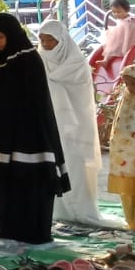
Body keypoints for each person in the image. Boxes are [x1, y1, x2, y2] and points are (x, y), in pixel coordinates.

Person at [0, 12, 69, 244]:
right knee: (3, 187)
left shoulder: (29, 60)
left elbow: (36, 103)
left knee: (30, 184)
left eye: (0, 36)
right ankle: (8, 229)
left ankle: (33, 233)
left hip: (29, 138)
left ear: (12, 35)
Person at [38, 20, 116, 229]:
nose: (46, 44)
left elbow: (78, 95)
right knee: (51, 165)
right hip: (50, 123)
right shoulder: (39, 60)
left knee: (74, 165)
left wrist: (52, 86)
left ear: (61, 40)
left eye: (50, 40)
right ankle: (56, 210)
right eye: (43, 39)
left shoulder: (76, 62)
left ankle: (79, 209)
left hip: (74, 126)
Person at [107, 62, 135, 229]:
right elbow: (118, 123)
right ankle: (132, 222)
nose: (129, 87)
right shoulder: (126, 98)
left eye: (134, 83)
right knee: (128, 188)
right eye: (127, 83)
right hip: (126, 152)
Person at [89, 0, 135, 99]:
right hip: (122, 36)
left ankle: (109, 59)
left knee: (112, 38)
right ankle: (106, 60)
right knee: (109, 41)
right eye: (114, 12)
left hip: (132, 38)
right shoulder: (122, 21)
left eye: (119, 12)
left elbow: (128, 35)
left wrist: (125, 51)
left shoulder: (129, 21)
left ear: (127, 10)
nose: (116, 15)